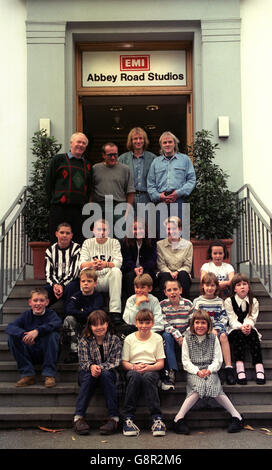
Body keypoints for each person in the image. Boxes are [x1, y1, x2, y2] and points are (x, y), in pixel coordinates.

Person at [173, 309, 244, 435]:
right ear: (193, 324)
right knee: (199, 386)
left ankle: (237, 416)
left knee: (212, 385)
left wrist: (210, 370)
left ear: (208, 325)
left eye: (203, 323)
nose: (200, 326)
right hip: (193, 371)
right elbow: (185, 361)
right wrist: (197, 371)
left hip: (210, 369)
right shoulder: (187, 339)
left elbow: (218, 359)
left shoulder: (213, 338)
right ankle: (178, 418)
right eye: (197, 323)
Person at [73, 310, 122, 436]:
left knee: (105, 374)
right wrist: (91, 367)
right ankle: (78, 417)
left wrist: (99, 367)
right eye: (95, 325)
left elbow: (115, 361)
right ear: (90, 326)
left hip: (108, 374)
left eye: (102, 324)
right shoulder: (84, 340)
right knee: (89, 376)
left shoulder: (114, 340)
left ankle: (114, 418)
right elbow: (83, 361)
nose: (99, 328)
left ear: (107, 324)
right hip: (87, 373)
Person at [121, 309, 166, 437]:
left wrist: (148, 368)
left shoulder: (157, 338)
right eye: (141, 322)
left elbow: (160, 363)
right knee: (134, 377)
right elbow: (124, 363)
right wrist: (134, 367)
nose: (144, 326)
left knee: (148, 377)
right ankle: (128, 418)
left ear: (152, 323)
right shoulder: (129, 339)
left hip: (151, 367)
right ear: (136, 323)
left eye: (147, 322)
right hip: (133, 367)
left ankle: (157, 419)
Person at [5, 288, 62, 388]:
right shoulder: (26, 315)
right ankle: (28, 374)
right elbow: (10, 327)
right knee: (12, 337)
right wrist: (25, 335)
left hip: (47, 352)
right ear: (30, 302)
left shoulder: (51, 314)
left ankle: (49, 374)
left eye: (41, 300)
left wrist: (37, 331)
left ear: (47, 302)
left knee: (53, 335)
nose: (38, 304)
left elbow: (57, 323)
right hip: (30, 351)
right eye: (35, 300)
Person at [45, 132, 92, 245]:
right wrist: (52, 203)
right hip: (59, 208)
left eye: (84, 143)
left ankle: (75, 263)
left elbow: (89, 188)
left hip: (79, 210)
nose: (81, 145)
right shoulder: (58, 160)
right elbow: (48, 183)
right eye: (78, 142)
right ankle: (57, 262)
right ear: (71, 143)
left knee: (78, 241)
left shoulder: (88, 165)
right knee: (57, 241)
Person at [147, 131, 196, 238]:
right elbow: (150, 184)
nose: (167, 144)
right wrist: (159, 196)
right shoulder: (156, 162)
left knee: (180, 234)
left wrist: (178, 193)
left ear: (175, 144)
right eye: (165, 143)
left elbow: (191, 179)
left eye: (170, 142)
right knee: (162, 234)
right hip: (161, 203)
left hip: (179, 201)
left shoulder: (185, 160)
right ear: (161, 145)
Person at [192, 272, 236, 385]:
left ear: (216, 287)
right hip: (202, 328)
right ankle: (207, 368)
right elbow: (195, 318)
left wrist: (216, 328)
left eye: (212, 285)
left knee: (223, 336)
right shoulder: (198, 301)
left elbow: (224, 318)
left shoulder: (220, 301)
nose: (210, 288)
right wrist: (208, 329)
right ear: (202, 286)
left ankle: (228, 368)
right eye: (207, 285)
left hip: (217, 328)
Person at [79, 218, 123, 326]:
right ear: (93, 231)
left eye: (104, 230)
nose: (101, 232)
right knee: (85, 271)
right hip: (93, 279)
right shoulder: (87, 243)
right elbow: (81, 264)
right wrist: (92, 265)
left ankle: (115, 312)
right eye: (99, 229)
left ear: (108, 231)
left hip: (108, 279)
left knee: (116, 271)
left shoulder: (114, 242)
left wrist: (105, 264)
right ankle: (86, 311)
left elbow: (119, 262)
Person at [225, 273, 266, 385]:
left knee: (253, 334)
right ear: (234, 289)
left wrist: (247, 326)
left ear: (248, 287)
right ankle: (240, 367)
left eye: (244, 284)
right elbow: (231, 318)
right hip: (235, 328)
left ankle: (259, 367)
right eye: (239, 285)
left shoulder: (254, 301)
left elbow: (252, 317)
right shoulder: (229, 301)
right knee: (238, 335)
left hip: (249, 327)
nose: (242, 287)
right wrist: (241, 327)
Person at [91, 142, 135, 234]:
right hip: (100, 206)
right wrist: (91, 207)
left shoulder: (125, 169)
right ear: (103, 155)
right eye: (110, 155)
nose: (113, 157)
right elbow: (90, 190)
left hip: (119, 206)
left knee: (121, 236)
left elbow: (130, 192)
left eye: (115, 154)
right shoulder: (95, 168)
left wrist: (127, 211)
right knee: (101, 237)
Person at [62, 269, 104, 363]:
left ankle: (94, 351)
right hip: (77, 326)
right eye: (83, 281)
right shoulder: (76, 296)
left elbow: (95, 311)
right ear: (80, 283)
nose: (86, 283)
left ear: (95, 283)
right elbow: (68, 310)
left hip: (90, 326)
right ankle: (74, 352)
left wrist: (79, 312)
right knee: (69, 319)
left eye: (89, 281)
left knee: (97, 317)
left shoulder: (98, 297)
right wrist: (85, 312)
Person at [160, 279, 193, 391]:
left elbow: (193, 323)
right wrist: (178, 336)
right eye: (169, 290)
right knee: (166, 335)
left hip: (186, 334)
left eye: (175, 289)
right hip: (172, 335)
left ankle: (192, 369)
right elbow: (164, 324)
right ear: (165, 292)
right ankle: (172, 370)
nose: (173, 292)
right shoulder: (163, 305)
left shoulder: (188, 304)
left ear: (181, 290)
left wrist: (184, 336)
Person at [44, 222, 81, 315]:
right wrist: (55, 285)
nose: (64, 235)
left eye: (67, 233)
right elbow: (48, 274)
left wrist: (62, 285)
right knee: (44, 292)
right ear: (56, 234)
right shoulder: (50, 251)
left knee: (70, 287)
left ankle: (68, 318)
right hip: (56, 284)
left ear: (71, 235)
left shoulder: (76, 248)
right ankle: (43, 317)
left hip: (70, 282)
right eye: (62, 232)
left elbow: (74, 273)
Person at [118, 127, 156, 209]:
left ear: (144, 140)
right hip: (127, 199)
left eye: (141, 138)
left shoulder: (153, 158)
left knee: (146, 222)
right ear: (131, 141)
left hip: (147, 198)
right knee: (128, 222)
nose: (138, 141)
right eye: (135, 139)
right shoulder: (122, 159)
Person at [156, 216, 193, 301]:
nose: (171, 231)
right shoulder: (159, 244)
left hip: (181, 273)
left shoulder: (188, 245)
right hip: (165, 273)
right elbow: (161, 265)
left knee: (183, 274)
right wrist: (170, 272)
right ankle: (164, 307)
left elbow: (187, 266)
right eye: (168, 229)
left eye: (174, 228)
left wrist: (177, 272)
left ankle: (184, 307)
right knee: (165, 276)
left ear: (179, 229)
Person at [120, 218, 157, 297]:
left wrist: (143, 267)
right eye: (135, 229)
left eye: (141, 228)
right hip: (131, 270)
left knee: (148, 277)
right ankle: (132, 301)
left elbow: (152, 259)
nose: (138, 231)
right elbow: (126, 260)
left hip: (146, 269)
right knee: (130, 277)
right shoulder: (125, 242)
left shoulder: (151, 241)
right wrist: (135, 268)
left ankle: (148, 301)